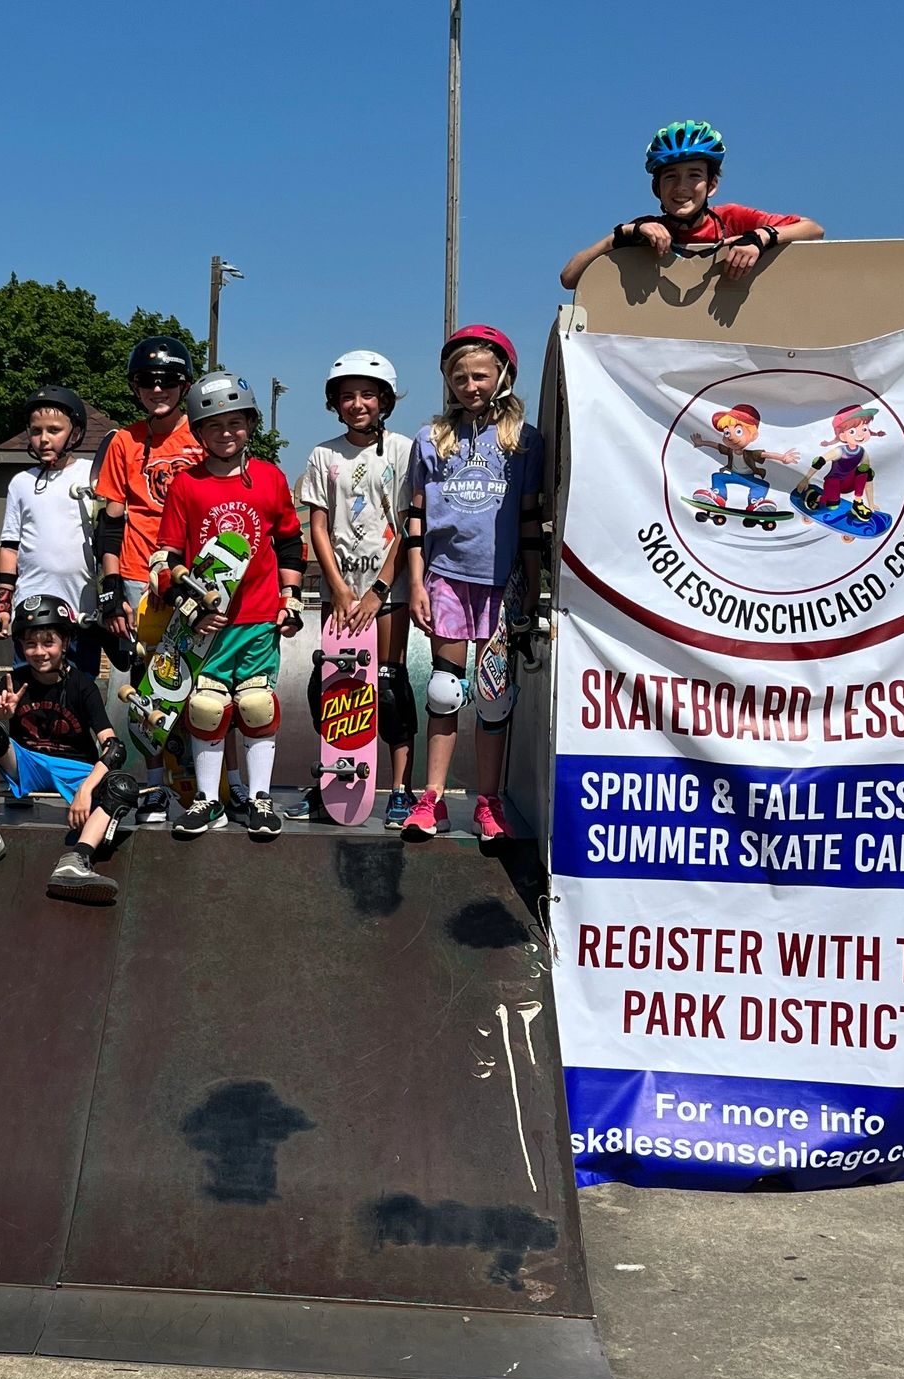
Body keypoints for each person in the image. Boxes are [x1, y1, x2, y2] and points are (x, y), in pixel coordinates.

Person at [402, 326, 545, 843]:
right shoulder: (431, 439)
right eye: (459, 377)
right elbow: (416, 518)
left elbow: (529, 521)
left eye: (480, 375)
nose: (470, 386)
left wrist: (531, 588)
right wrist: (416, 583)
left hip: (502, 583)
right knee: (443, 690)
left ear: (503, 375)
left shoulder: (524, 441)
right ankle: (432, 800)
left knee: (493, 697)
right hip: (447, 575)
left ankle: (488, 802)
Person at [153, 372, 305, 840]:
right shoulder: (186, 485)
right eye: (214, 425)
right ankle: (208, 800)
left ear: (250, 425)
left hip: (258, 619)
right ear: (199, 432)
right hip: (207, 625)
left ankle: (260, 799)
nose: (226, 433)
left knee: (256, 705)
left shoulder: (270, 478)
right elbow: (165, 558)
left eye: (235, 423)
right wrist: (190, 604)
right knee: (206, 708)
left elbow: (290, 543)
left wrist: (291, 598)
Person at [92, 336, 227, 825]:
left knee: (205, 683)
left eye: (168, 380)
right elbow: (110, 521)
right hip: (138, 575)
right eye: (147, 381)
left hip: (195, 575)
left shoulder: (204, 434)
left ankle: (213, 784)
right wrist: (111, 589)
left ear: (184, 386)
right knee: (145, 685)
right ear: (135, 387)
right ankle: (154, 784)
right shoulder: (124, 442)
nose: (157, 389)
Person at [287, 350, 419, 827]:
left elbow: (408, 526)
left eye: (367, 394)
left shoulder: (404, 450)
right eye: (347, 396)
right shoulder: (323, 455)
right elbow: (318, 528)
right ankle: (332, 779)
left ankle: (401, 788)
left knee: (389, 685)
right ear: (335, 403)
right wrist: (340, 588)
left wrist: (378, 589)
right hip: (340, 591)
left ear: (384, 399)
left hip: (388, 590)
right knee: (333, 685)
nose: (357, 404)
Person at [0, 594, 139, 903]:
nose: (39, 652)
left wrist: (86, 790)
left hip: (75, 770)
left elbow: (113, 747)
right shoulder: (15, 681)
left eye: (48, 643)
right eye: (30, 644)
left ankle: (77, 860)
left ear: (65, 643)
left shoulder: (82, 685)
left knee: (122, 786)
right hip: (27, 763)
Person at [558, 121, 823, 291]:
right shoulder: (647, 229)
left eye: (694, 175)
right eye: (670, 176)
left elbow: (813, 230)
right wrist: (621, 235)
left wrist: (760, 237)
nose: (681, 187)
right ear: (656, 188)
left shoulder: (731, 218)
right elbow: (569, 278)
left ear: (712, 185)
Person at [0, 386, 104, 675]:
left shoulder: (92, 475)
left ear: (75, 433)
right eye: (36, 431)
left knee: (80, 691)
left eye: (54, 430)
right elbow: (10, 547)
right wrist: (1, 604)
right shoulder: (21, 483)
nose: (43, 439)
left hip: (82, 610)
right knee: (29, 693)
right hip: (31, 610)